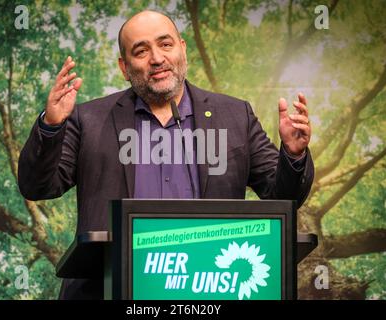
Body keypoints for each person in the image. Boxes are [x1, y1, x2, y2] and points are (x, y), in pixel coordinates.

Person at [18, 10, 314, 299]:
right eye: (141, 50)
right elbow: (38, 186)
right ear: (124, 67)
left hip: (209, 291)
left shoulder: (235, 115)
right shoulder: (89, 119)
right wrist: (51, 126)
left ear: (182, 50)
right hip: (106, 290)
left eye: (165, 44)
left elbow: (282, 196)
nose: (157, 58)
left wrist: (293, 154)